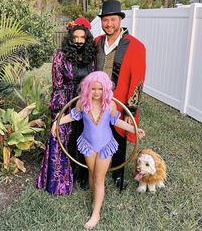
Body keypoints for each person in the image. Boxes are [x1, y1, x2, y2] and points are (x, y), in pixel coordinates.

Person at [51, 71, 145, 229]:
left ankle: (96, 213)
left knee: (99, 178)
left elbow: (117, 122)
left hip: (104, 146)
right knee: (91, 173)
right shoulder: (83, 102)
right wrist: (57, 122)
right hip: (88, 144)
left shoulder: (110, 104)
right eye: (93, 89)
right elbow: (73, 116)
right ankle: (96, 199)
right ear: (88, 88)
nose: (96, 92)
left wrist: (133, 128)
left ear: (106, 89)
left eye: (100, 89)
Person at [36, 17, 97, 195]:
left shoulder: (90, 55)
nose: (79, 41)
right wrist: (59, 111)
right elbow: (58, 85)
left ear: (87, 38)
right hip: (67, 100)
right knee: (63, 137)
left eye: (82, 37)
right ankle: (60, 179)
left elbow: (93, 80)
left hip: (85, 101)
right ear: (70, 37)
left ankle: (82, 175)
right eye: (75, 37)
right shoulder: (60, 55)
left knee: (85, 137)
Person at [95, 0, 146, 189]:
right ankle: (96, 167)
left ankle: (117, 173)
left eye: (113, 20)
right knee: (96, 133)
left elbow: (138, 80)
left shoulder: (135, 46)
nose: (109, 24)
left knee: (118, 137)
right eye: (105, 20)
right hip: (97, 99)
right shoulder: (97, 42)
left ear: (120, 20)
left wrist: (130, 108)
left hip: (119, 100)